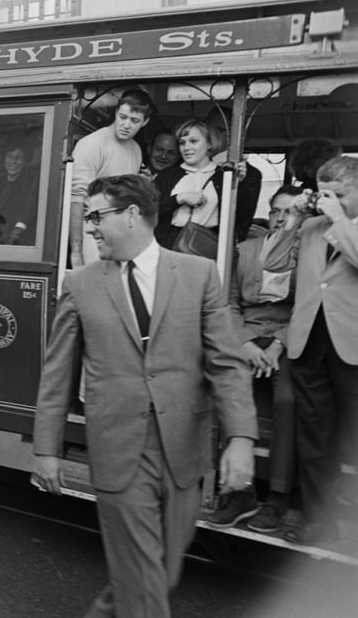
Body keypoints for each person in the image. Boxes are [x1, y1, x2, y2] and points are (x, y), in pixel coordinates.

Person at [32, 174, 256, 618]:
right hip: (118, 448)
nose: (90, 227)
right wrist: (46, 447)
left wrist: (242, 439)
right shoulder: (80, 284)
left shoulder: (198, 274)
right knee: (145, 581)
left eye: (97, 216)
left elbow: (227, 363)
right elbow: (57, 374)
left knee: (159, 573)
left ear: (132, 215)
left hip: (183, 450)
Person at [208, 186, 304, 533]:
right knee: (230, 393)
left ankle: (278, 498)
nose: (281, 218)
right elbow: (229, 302)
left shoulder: (306, 250)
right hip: (247, 336)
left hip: (286, 339)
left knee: (287, 399)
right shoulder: (245, 250)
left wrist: (278, 345)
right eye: (276, 211)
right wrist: (245, 342)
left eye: (290, 212)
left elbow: (305, 306)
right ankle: (240, 493)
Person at [284, 156, 358, 546]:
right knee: (315, 437)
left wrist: (341, 221)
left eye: (340, 195)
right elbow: (272, 265)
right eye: (325, 193)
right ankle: (318, 520)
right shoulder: (312, 227)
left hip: (353, 347)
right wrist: (292, 223)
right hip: (310, 342)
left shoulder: (344, 227)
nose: (331, 202)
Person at [68, 88, 154, 267]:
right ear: (116, 112)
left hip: (122, 236)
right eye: (122, 117)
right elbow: (76, 199)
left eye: (134, 120)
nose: (126, 125)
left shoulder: (136, 150)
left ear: (145, 122)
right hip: (94, 232)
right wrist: (76, 251)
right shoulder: (92, 144)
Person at [153, 119, 261, 251]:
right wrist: (179, 198)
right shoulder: (167, 175)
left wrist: (241, 184)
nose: (186, 147)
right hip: (168, 246)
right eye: (182, 142)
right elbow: (149, 210)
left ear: (209, 144)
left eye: (193, 141)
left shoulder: (224, 175)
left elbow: (241, 217)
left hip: (208, 246)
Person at [0, 145, 40, 245]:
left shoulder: (30, 186)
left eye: (18, 158)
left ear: (25, 160)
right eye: (9, 156)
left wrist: (14, 237)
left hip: (14, 243)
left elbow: (27, 213)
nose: (13, 161)